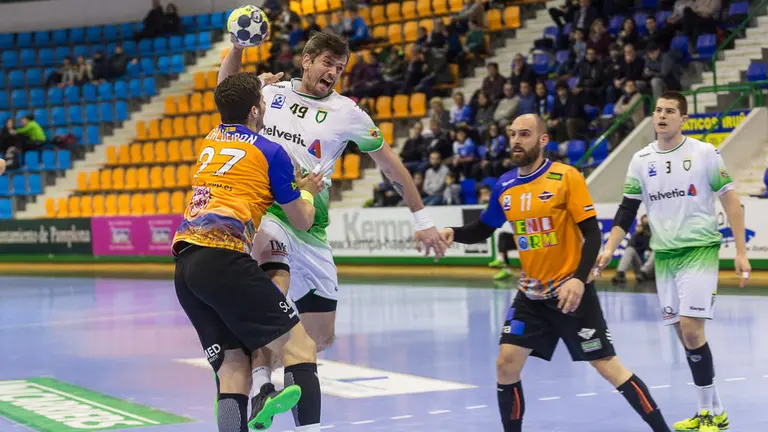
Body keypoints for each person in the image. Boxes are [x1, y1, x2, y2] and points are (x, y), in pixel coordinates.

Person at [218, 30, 448, 431]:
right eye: (327, 63)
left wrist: (422, 220)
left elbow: (391, 167)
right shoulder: (269, 93)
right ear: (306, 60)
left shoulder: (348, 114)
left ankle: (277, 371)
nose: (333, 73)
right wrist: (237, 47)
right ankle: (261, 388)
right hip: (270, 212)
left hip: (312, 227)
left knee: (318, 339)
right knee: (274, 282)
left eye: (340, 68)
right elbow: (227, 92)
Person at [439, 114, 671, 432]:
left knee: (607, 366)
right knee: (506, 364)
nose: (516, 140)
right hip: (531, 294)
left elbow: (591, 234)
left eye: (524, 134)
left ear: (543, 140)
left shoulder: (566, 177)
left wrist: (578, 277)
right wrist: (453, 232)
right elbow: (483, 228)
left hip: (570, 293)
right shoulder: (504, 185)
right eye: (512, 134)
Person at [171, 72, 326, 432]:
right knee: (300, 347)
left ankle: (257, 393)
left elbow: (231, 99)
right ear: (256, 110)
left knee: (232, 369)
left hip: (185, 265)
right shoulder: (272, 151)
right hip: (224, 260)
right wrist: (306, 191)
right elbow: (302, 220)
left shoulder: (212, 138)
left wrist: (250, 81)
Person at [596, 91, 751, 432]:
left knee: (693, 329)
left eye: (670, 111)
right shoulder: (640, 159)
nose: (662, 116)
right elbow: (627, 209)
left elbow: (732, 203)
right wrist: (610, 248)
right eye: (658, 110)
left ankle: (708, 415)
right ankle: (715, 409)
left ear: (684, 119)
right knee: (684, 333)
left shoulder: (704, 153)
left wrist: (740, 251)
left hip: (699, 249)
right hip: (664, 254)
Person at [612, 214, 654, 284]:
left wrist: (652, 234)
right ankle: (620, 273)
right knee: (630, 249)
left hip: (653, 271)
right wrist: (636, 234)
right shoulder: (638, 236)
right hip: (640, 269)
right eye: (644, 225)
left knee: (657, 251)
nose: (646, 227)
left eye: (648, 225)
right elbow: (630, 246)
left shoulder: (658, 236)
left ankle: (644, 272)